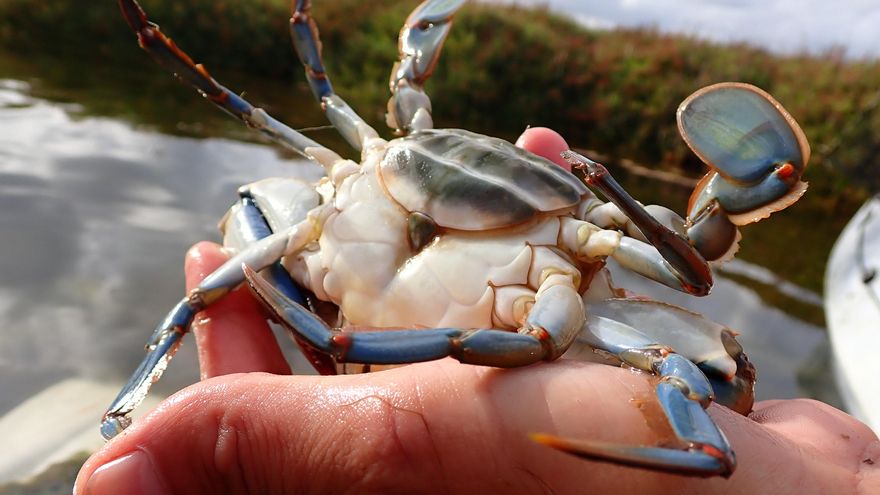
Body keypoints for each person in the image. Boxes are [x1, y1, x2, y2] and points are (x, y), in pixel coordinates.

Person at [75, 129, 879, 494]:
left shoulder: (582, 239)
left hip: (553, 275)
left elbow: (692, 288)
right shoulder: (367, 180)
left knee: (712, 369)